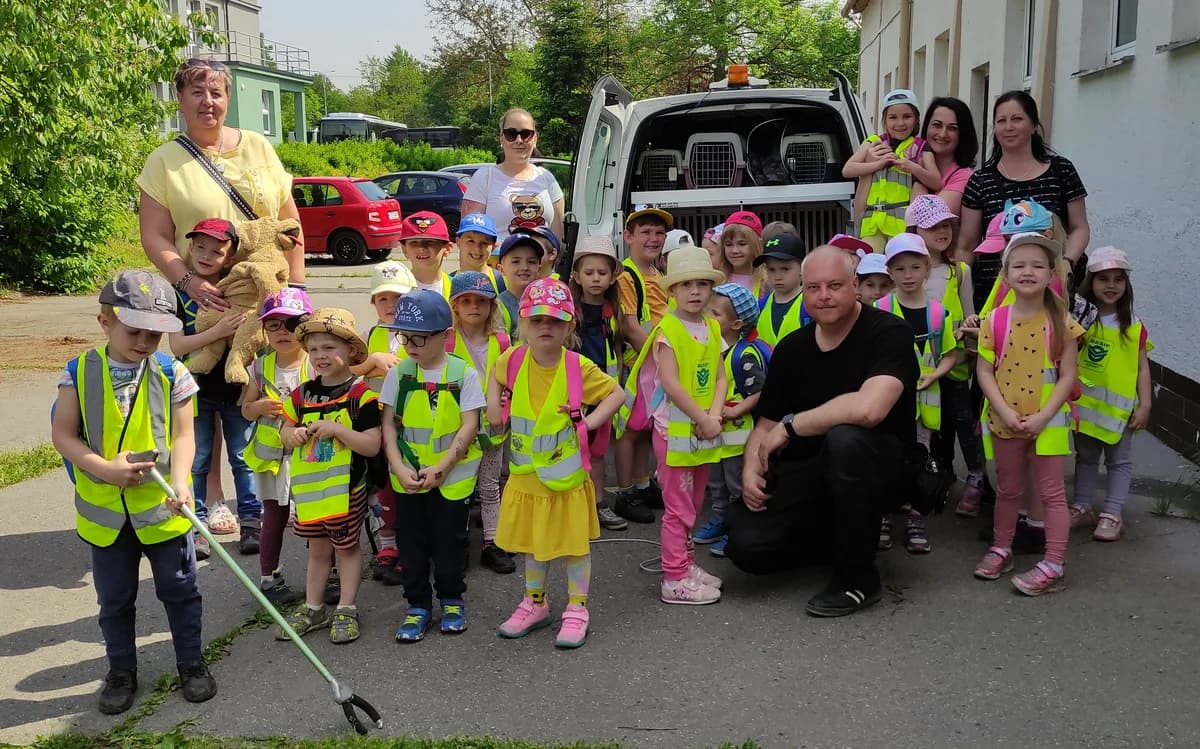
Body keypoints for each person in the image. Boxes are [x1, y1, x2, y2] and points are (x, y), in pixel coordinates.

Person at [50, 270, 215, 715]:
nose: (144, 342)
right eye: (134, 331)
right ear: (106, 322)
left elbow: (185, 437)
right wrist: (104, 468)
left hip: (163, 509)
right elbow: (64, 435)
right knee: (114, 600)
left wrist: (181, 482)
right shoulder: (79, 373)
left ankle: (191, 663)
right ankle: (121, 671)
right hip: (106, 518)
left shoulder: (171, 371)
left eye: (155, 334)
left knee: (180, 591)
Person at [730, 246, 919, 618]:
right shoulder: (792, 349)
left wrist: (793, 426)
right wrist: (751, 467)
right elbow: (765, 422)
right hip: (812, 470)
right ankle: (837, 536)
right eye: (814, 288)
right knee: (746, 547)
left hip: (880, 466)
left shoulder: (889, 333)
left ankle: (857, 578)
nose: (824, 296)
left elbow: (869, 409)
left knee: (845, 439)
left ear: (855, 286)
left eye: (835, 285)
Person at [489, 279, 624, 649]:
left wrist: (590, 422)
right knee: (535, 545)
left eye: (554, 320)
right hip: (527, 477)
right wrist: (494, 409)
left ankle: (578, 608)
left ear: (568, 327)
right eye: (536, 320)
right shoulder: (512, 359)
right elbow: (495, 376)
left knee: (574, 545)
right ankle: (535, 603)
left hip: (566, 479)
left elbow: (617, 393)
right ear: (523, 325)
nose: (545, 326)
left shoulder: (578, 366)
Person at [138, 59, 305, 304]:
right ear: (180, 99)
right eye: (197, 92)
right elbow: (154, 236)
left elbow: (290, 225)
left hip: (269, 296)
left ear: (227, 98)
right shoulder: (163, 161)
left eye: (216, 93)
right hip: (205, 299)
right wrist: (187, 281)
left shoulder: (259, 146)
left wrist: (297, 287)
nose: (208, 101)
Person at [974, 234, 1083, 596]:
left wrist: (1043, 416)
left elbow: (1068, 375)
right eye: (1019, 265)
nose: (1028, 272)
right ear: (1005, 275)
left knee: (1052, 494)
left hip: (1048, 422)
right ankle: (1001, 548)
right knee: (1008, 489)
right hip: (1005, 420)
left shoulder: (1063, 321)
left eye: (1038, 265)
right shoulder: (993, 320)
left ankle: (1053, 563)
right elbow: (984, 371)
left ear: (1052, 272)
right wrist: (1003, 411)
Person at [623, 245, 727, 604]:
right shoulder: (667, 329)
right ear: (672, 290)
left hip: (703, 432)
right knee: (678, 508)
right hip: (675, 434)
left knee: (695, 504)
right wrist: (705, 418)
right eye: (686, 285)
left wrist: (713, 416)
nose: (695, 291)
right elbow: (671, 383)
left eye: (702, 284)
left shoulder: (713, 328)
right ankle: (674, 577)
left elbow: (720, 378)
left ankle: (686, 564)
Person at [379, 291, 485, 641]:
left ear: (444, 335)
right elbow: (389, 426)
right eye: (404, 337)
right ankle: (418, 605)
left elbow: (469, 425)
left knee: (450, 544)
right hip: (407, 479)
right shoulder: (399, 374)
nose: (409, 345)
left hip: (452, 479)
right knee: (412, 545)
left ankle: (452, 600)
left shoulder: (462, 374)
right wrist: (397, 467)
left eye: (418, 338)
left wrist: (442, 467)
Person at [278, 308, 382, 644]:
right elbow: (285, 430)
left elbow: (371, 445)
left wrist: (338, 429)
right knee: (318, 550)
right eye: (315, 349)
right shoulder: (301, 395)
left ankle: (347, 608)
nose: (321, 356)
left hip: (346, 490)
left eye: (330, 348)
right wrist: (290, 435)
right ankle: (314, 607)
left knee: (348, 548)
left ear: (351, 350)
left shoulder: (362, 395)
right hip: (311, 493)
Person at [166, 219, 259, 558]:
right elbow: (177, 346)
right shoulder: (180, 294)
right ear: (190, 247)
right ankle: (198, 526)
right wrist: (219, 331)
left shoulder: (241, 287)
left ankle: (251, 522)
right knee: (197, 459)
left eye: (216, 250)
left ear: (230, 256)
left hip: (238, 388)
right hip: (194, 389)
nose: (206, 255)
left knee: (244, 458)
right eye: (200, 247)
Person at [957, 91, 1091, 308]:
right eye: (1001, 121)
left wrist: (1066, 262)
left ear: (1034, 125)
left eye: (1017, 119)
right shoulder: (980, 180)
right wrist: (960, 294)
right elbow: (966, 245)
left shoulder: (1061, 170)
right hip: (995, 295)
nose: (1008, 127)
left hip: (1054, 291)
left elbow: (1080, 228)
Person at [873, 233, 959, 554]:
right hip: (889, 404)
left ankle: (915, 515)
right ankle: (883, 513)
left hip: (926, 405)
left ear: (926, 268)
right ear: (890, 272)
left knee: (918, 459)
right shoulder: (880, 309)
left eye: (914, 267)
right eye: (899, 269)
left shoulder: (938, 313)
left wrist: (935, 374)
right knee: (886, 455)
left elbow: (950, 353)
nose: (907, 275)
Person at [905, 195, 985, 516]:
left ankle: (977, 479)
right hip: (921, 366)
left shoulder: (960, 271)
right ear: (916, 230)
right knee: (930, 428)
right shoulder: (908, 271)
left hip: (954, 364)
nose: (942, 232)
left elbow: (970, 313)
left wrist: (970, 335)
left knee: (963, 421)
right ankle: (935, 479)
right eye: (932, 226)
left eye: (946, 225)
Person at [1071, 247, 1152, 542]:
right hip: (1085, 410)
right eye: (1103, 278)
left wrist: (1145, 404)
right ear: (1089, 282)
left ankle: (1112, 514)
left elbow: (1142, 368)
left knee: (1118, 461)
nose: (1111, 285)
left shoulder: (1133, 325)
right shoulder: (1080, 321)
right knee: (1086, 457)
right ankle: (1081, 507)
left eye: (1118, 279)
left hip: (1119, 413)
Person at [241, 288, 313, 607]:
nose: (282, 332)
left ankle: (328, 573)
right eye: (274, 325)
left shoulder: (315, 361)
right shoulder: (259, 367)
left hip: (312, 453)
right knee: (273, 515)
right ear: (264, 330)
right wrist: (256, 408)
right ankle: (270, 577)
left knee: (316, 516)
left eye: (291, 323)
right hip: (273, 458)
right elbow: (244, 408)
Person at [445, 272, 516, 572]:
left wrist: (505, 405)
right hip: (458, 425)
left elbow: (510, 380)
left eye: (481, 301)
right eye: (466, 301)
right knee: (459, 486)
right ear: (456, 307)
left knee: (489, 485)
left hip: (491, 426)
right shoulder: (447, 340)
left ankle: (492, 541)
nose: (474, 306)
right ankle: (456, 544)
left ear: (491, 306)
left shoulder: (501, 340)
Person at [694, 283, 769, 557]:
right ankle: (720, 519)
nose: (708, 317)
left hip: (738, 439)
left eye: (716, 313)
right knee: (716, 483)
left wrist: (737, 410)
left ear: (737, 323)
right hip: (716, 436)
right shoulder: (712, 347)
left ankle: (738, 528)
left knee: (737, 485)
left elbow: (761, 392)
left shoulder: (744, 355)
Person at [613, 208, 673, 523]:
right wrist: (660, 363)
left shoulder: (657, 273)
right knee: (629, 431)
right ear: (628, 235)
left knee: (645, 428)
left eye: (659, 233)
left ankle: (641, 482)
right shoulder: (627, 275)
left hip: (656, 365)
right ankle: (625, 492)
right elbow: (631, 326)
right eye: (646, 231)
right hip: (639, 366)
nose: (653, 239)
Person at [568, 235, 628, 531]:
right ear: (576, 276)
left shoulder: (612, 309)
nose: (595, 279)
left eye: (602, 273)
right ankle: (574, 507)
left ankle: (598, 503)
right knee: (572, 451)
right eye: (589, 273)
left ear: (612, 276)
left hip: (604, 392)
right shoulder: (570, 311)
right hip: (576, 392)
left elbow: (617, 348)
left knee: (598, 451)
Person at [843, 89, 942, 252]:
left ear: (916, 119)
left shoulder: (921, 146)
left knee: (899, 269)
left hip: (902, 225)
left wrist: (912, 167)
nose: (900, 123)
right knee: (869, 265)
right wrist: (877, 164)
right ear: (885, 120)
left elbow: (936, 181)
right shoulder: (874, 141)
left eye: (907, 116)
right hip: (872, 223)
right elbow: (848, 170)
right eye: (893, 117)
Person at [461, 108, 564, 242]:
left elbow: (558, 239)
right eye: (511, 134)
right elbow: (470, 237)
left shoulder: (547, 179)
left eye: (526, 134)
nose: (519, 140)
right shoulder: (484, 178)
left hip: (541, 262)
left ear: (535, 139)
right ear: (501, 139)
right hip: (497, 261)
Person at [920, 96, 979, 216]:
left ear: (963, 134)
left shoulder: (964, 177)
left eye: (952, 128)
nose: (942, 134)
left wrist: (918, 176)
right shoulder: (910, 162)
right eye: (937, 125)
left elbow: (924, 215)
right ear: (926, 126)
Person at [753, 232, 808, 347]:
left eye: (785, 269)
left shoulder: (810, 304)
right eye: (771, 269)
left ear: (803, 267)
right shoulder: (760, 306)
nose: (777, 276)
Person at [495, 233, 544, 338]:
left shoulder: (547, 302)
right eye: (516, 261)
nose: (524, 267)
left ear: (539, 268)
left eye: (531, 262)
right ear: (501, 269)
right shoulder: (497, 306)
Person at [400, 211, 454, 297]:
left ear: (447, 248)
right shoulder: (396, 289)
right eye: (414, 242)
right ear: (404, 250)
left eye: (430, 242)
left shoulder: (456, 288)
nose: (421, 248)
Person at [454, 213, 505, 294]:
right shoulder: (448, 282)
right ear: (458, 242)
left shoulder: (503, 283)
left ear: (494, 246)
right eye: (470, 241)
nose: (477, 248)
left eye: (484, 242)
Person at [721, 210, 767, 299]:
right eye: (728, 244)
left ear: (757, 244)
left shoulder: (767, 283)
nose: (735, 250)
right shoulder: (716, 281)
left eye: (742, 244)